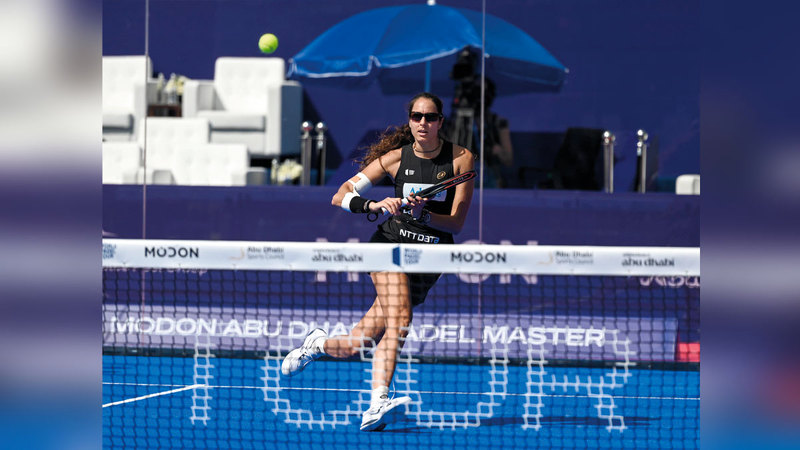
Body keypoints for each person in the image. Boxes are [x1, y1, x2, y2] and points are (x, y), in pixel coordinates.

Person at [280, 92, 475, 432]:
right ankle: (377, 403)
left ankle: (317, 345)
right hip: (388, 247)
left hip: (429, 258)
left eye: (430, 117)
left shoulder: (461, 160)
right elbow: (341, 194)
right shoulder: (394, 160)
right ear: (410, 120)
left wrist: (423, 212)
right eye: (417, 116)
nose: (423, 123)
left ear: (441, 121)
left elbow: (456, 223)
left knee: (360, 344)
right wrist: (375, 205)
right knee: (401, 317)